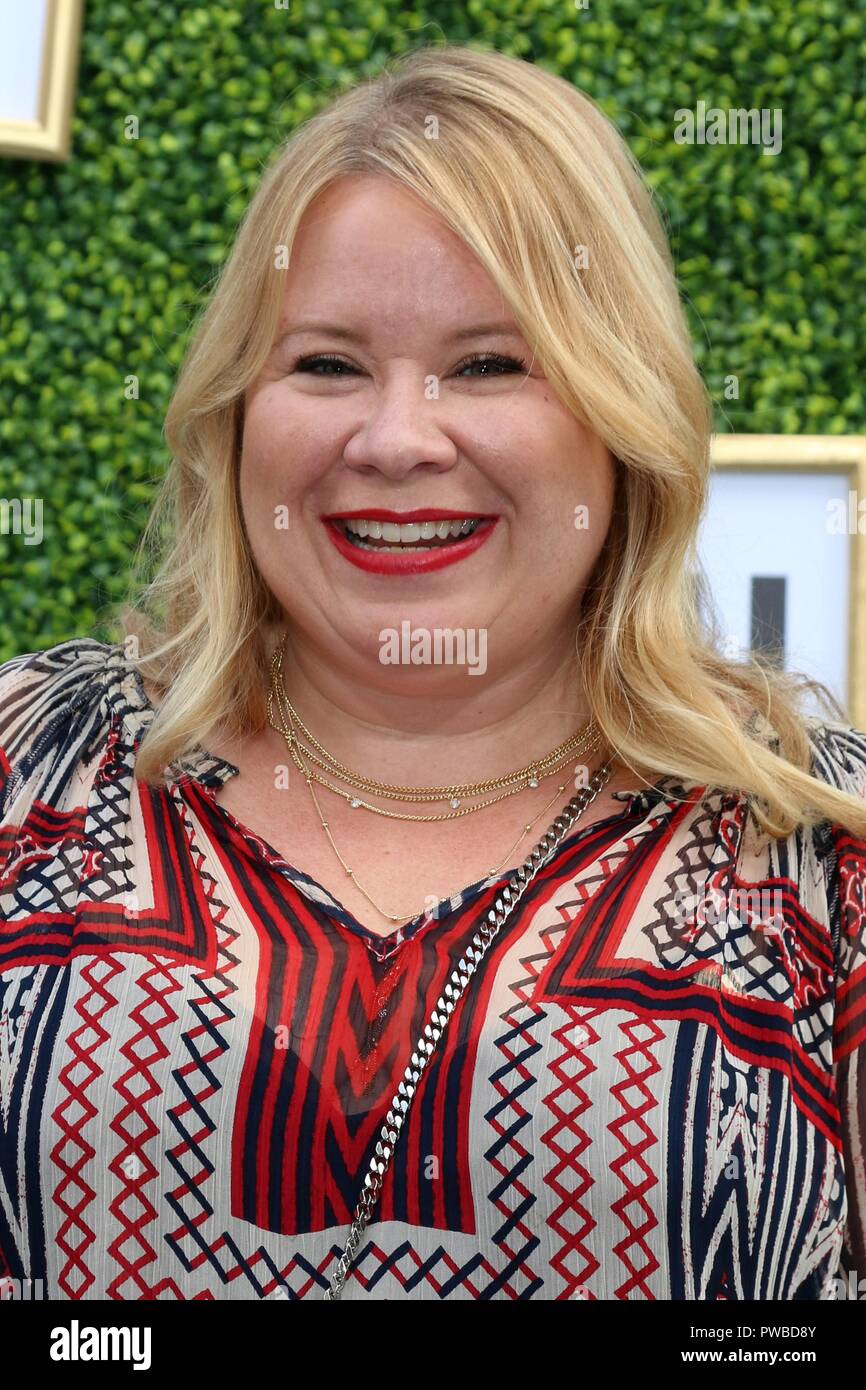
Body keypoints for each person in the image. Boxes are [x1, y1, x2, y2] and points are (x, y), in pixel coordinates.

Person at [1, 42, 864, 1303]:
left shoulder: (814, 840)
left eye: (488, 364)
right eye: (326, 363)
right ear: (238, 408)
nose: (397, 439)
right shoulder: (35, 764)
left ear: (620, 418)